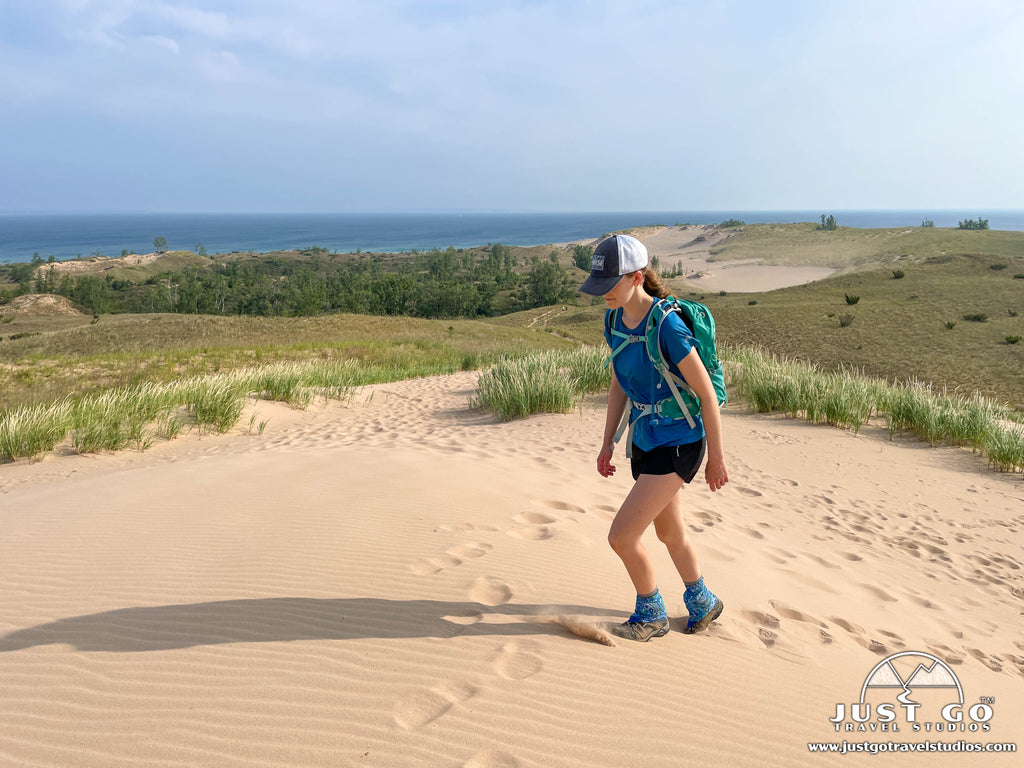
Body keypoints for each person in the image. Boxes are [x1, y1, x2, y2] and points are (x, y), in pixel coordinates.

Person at [579, 234, 729, 642]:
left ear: (636, 278)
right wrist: (607, 441)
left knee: (622, 536)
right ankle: (702, 601)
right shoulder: (613, 320)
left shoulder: (668, 328)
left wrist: (716, 458)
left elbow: (707, 396)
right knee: (669, 533)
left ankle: (652, 613)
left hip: (679, 443)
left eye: (608, 285)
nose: (602, 294)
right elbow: (618, 384)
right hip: (644, 440)